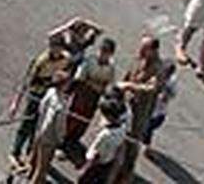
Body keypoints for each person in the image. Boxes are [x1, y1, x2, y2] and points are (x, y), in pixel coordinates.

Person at [10, 34, 70, 168]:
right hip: (36, 95)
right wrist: (15, 103)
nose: (56, 51)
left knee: (38, 126)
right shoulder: (41, 61)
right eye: (54, 48)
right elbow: (27, 81)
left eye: (59, 48)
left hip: (49, 96)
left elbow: (64, 76)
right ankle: (15, 152)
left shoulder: (66, 59)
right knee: (26, 125)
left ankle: (29, 153)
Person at [112, 35, 162, 183]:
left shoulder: (158, 68)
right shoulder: (138, 59)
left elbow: (152, 88)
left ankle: (126, 175)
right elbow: (127, 76)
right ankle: (114, 168)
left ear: (153, 51)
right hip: (126, 106)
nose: (140, 50)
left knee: (132, 144)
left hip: (140, 113)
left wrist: (130, 86)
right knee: (118, 137)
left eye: (145, 48)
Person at [63, 37, 116, 154]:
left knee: (85, 119)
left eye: (106, 52)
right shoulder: (90, 60)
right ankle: (63, 140)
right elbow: (80, 77)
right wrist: (94, 84)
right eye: (102, 50)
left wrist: (103, 90)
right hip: (82, 93)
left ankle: (74, 140)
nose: (103, 54)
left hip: (94, 97)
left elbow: (109, 84)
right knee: (74, 116)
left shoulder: (110, 67)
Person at [27, 72, 71, 184]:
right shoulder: (61, 104)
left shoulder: (50, 92)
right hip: (49, 138)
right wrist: (60, 138)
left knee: (35, 157)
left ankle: (29, 172)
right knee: (42, 168)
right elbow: (59, 125)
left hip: (40, 130)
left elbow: (41, 107)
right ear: (64, 85)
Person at [75, 97, 127, 184]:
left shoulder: (105, 135)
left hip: (96, 164)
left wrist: (85, 168)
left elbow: (96, 154)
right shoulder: (122, 128)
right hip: (107, 163)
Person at [142, 62, 178, 155]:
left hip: (158, 112)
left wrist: (165, 92)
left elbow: (169, 96)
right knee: (146, 128)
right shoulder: (157, 76)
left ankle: (146, 146)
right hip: (149, 107)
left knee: (148, 128)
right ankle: (145, 144)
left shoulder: (171, 82)